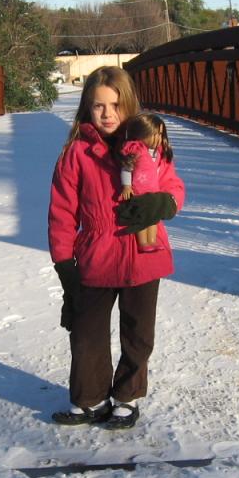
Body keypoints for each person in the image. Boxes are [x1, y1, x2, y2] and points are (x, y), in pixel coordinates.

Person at [48, 66, 184, 430]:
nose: (107, 114)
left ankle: (126, 397)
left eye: (115, 105)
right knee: (86, 333)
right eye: (98, 106)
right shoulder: (77, 153)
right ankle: (90, 399)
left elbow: (173, 185)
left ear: (129, 106)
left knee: (138, 334)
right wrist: (64, 262)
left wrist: (166, 203)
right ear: (87, 108)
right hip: (97, 255)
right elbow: (61, 213)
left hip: (144, 253)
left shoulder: (150, 147)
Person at [113, 113, 173, 251]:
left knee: (153, 219)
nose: (158, 138)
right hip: (139, 192)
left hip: (154, 192)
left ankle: (152, 240)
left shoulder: (157, 153)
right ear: (141, 134)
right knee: (142, 219)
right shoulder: (136, 150)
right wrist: (127, 186)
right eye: (154, 134)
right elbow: (126, 169)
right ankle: (143, 243)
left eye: (160, 134)